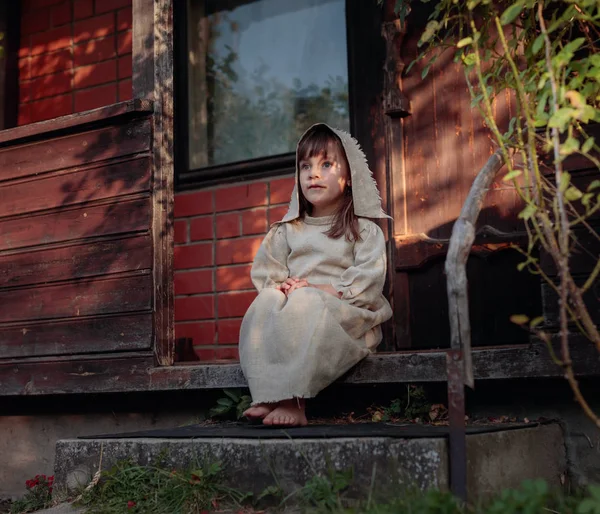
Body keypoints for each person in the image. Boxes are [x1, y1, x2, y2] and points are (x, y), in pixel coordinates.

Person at [239, 123, 393, 427]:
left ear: (348, 178)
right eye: (305, 166)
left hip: (345, 317)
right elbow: (267, 275)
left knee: (305, 301)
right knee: (265, 302)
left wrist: (314, 288)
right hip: (297, 309)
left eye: (326, 164)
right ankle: (266, 394)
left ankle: (293, 402)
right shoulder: (286, 232)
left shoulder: (363, 231)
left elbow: (367, 283)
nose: (314, 173)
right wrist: (284, 287)